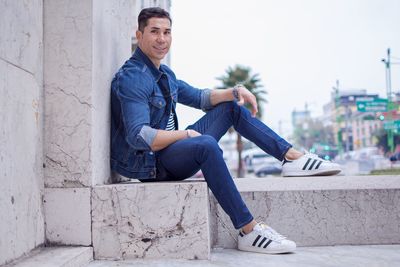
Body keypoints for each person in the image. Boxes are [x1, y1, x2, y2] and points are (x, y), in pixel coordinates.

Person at [110, 7, 341, 254]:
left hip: (167, 152)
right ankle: (248, 231)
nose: (162, 39)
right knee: (206, 144)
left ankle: (291, 157)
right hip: (151, 165)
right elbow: (139, 136)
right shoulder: (134, 77)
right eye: (154, 31)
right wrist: (186, 135)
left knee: (230, 107)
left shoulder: (163, 73)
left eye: (167, 32)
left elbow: (200, 97)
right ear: (139, 34)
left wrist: (235, 92)